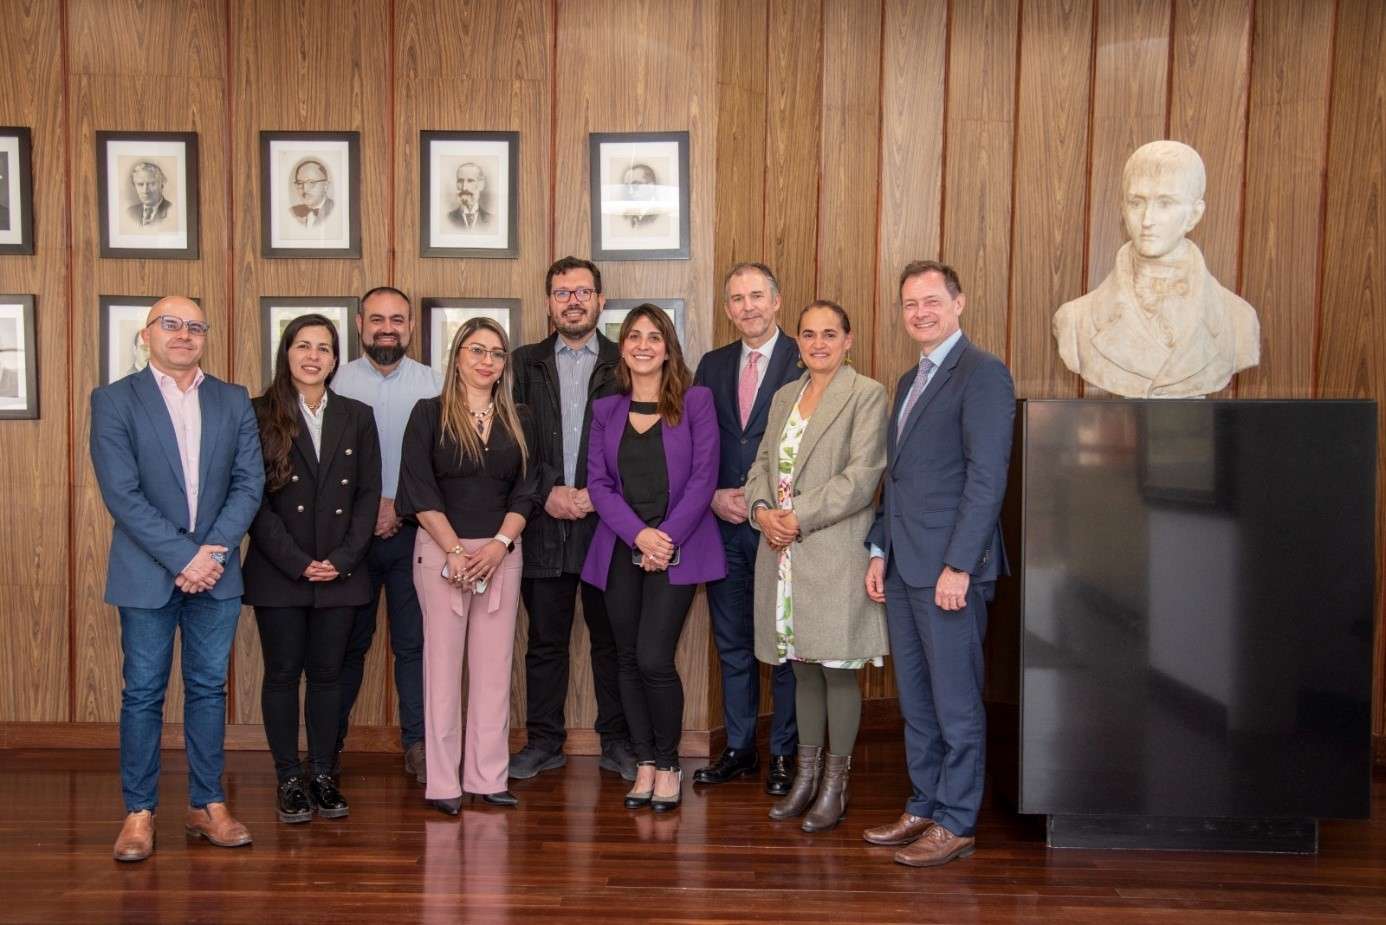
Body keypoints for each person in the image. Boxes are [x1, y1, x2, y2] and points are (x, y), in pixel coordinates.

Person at [89, 295, 265, 862]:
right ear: (147, 335)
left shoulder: (233, 400)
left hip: (214, 573)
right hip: (147, 574)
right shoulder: (115, 400)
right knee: (142, 694)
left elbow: (248, 484)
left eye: (195, 326)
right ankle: (138, 812)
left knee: (209, 690)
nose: (183, 334)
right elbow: (122, 493)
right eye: (171, 325)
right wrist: (182, 558)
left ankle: (207, 804)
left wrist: (210, 554)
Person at [861, 261, 1015, 868]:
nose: (919, 312)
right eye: (908, 304)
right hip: (903, 568)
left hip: (949, 572)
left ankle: (956, 820)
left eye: (931, 301)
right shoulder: (909, 380)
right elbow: (897, 481)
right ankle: (924, 803)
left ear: (959, 302)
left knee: (955, 702)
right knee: (917, 702)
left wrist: (959, 565)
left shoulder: (983, 374)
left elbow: (986, 479)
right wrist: (879, 547)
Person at [743, 300, 887, 831]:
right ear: (797, 342)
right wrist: (761, 512)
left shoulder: (866, 394)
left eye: (830, 333)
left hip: (833, 549)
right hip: (780, 551)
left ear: (848, 340)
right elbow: (760, 465)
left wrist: (794, 516)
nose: (818, 343)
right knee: (801, 668)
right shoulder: (784, 395)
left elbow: (862, 476)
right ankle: (804, 779)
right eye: (808, 334)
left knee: (838, 670)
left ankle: (834, 786)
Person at [582, 304, 725, 812]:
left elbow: (704, 478)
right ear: (622, 348)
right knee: (624, 658)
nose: (643, 345)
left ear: (668, 346)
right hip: (621, 548)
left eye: (654, 337)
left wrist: (663, 539)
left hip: (679, 549)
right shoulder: (606, 410)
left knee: (652, 658)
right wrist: (640, 536)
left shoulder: (697, 401)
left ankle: (667, 763)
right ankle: (642, 759)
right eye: (634, 336)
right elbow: (598, 485)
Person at [242, 314, 382, 824]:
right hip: (280, 570)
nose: (313, 356)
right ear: (287, 352)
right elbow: (251, 499)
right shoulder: (258, 413)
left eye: (324, 348)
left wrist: (342, 560)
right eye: (304, 345)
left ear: (335, 358)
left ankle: (323, 774)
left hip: (342, 571)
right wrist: (299, 564)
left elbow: (368, 495)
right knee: (282, 675)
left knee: (328, 676)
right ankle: (288, 779)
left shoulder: (356, 414)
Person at [397, 317, 537, 813]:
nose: (486, 361)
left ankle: (489, 775)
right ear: (457, 357)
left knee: (494, 670)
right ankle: (443, 783)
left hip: (501, 553)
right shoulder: (428, 413)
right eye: (476, 350)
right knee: (440, 670)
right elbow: (418, 489)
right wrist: (455, 549)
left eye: (496, 353)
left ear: (504, 365)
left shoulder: (520, 416)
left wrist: (499, 544)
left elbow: (528, 489)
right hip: (441, 551)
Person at [508, 257, 635, 782]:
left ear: (601, 301)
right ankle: (543, 742)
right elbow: (509, 446)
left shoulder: (626, 362)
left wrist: (597, 497)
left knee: (614, 641)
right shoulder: (521, 364)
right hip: (541, 525)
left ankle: (619, 742)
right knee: (545, 641)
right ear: (548, 303)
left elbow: (645, 446)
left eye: (584, 291)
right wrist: (547, 494)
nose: (573, 301)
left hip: (609, 527)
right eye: (562, 293)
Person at [692, 262, 801, 794]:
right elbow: (694, 441)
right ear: (728, 308)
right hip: (723, 526)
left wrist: (771, 505)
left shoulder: (805, 359)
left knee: (782, 645)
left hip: (781, 527)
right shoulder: (711, 365)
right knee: (732, 642)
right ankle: (739, 748)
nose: (747, 307)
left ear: (776, 301)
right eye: (736, 299)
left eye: (756, 295)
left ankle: (784, 752)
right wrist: (712, 495)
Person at [332, 287, 442, 782]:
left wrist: (399, 506)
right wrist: (367, 512)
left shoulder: (434, 384)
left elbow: (441, 463)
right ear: (359, 325)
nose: (387, 327)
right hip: (344, 540)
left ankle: (418, 746)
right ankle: (327, 747)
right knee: (344, 646)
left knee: (415, 646)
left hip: (413, 534)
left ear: (411, 327)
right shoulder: (333, 381)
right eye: (377, 318)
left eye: (398, 318)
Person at [1052, 140, 1260, 397]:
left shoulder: (1239, 320)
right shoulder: (1075, 321)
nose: (1147, 220)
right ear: (1122, 210)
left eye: (1165, 203)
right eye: (1136, 203)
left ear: (1194, 215)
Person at [289, 158, 335, 227]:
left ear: (326, 186)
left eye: (311, 182)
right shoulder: (292, 212)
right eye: (300, 183)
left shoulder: (335, 210)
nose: (305, 189)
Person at [447, 162, 492, 230]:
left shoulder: (491, 221)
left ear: (481, 185)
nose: (464, 187)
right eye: (460, 181)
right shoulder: (448, 219)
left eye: (470, 181)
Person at [125, 161, 172, 227]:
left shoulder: (171, 211)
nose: (145, 191)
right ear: (134, 186)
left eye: (152, 184)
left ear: (162, 184)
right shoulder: (130, 212)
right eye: (140, 184)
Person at [622, 164, 659, 228]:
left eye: (635, 185)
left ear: (651, 186)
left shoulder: (659, 215)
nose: (630, 192)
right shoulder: (626, 215)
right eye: (627, 186)